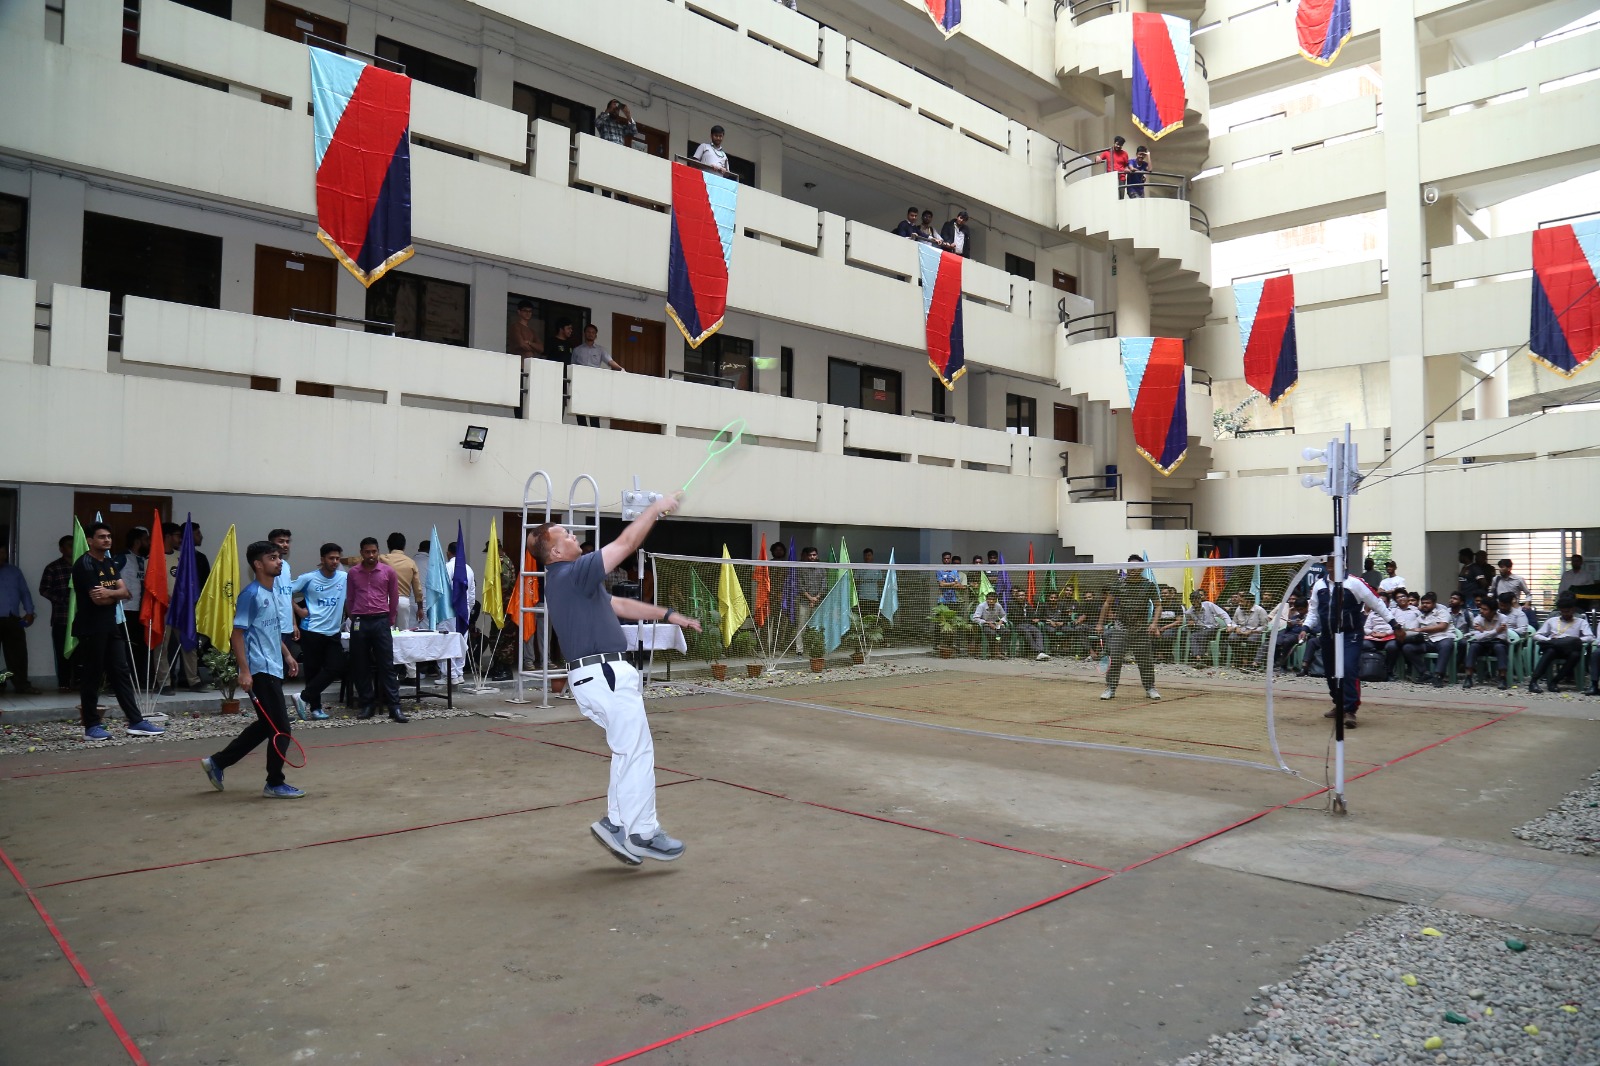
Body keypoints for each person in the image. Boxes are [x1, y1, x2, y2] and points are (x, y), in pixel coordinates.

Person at [528, 491, 702, 864]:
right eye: (565, 535)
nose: (573, 535)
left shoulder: (572, 583)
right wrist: (654, 509)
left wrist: (668, 615)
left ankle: (617, 823)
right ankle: (642, 832)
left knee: (628, 750)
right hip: (604, 674)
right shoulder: (572, 573)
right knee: (637, 751)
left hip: (597, 677)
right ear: (555, 552)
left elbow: (619, 605)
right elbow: (626, 543)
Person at [200, 540, 304, 798]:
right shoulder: (251, 594)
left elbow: (269, 630)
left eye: (279, 557)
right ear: (258, 564)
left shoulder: (272, 591)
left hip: (273, 666)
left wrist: (287, 655)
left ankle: (217, 762)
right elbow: (237, 634)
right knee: (281, 729)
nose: (279, 561)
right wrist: (245, 672)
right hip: (260, 670)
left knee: (266, 725)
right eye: (272, 558)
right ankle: (274, 782)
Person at [72, 523, 163, 740]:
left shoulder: (110, 562)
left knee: (121, 672)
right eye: (101, 537)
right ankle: (91, 726)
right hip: (91, 628)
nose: (107, 540)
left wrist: (110, 593)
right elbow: (98, 599)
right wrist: (115, 594)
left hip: (111, 626)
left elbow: (126, 592)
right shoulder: (85, 564)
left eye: (109, 536)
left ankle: (136, 721)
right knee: (92, 676)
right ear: (90, 541)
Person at [1303, 561, 1403, 728]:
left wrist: (1395, 625)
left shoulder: (1355, 583)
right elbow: (1313, 611)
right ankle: (1339, 704)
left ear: (1343, 563)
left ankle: (1350, 709)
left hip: (1350, 635)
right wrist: (1305, 628)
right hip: (1328, 636)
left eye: (1334, 561)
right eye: (1328, 562)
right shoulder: (1319, 585)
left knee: (1348, 669)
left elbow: (1377, 603)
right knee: (1330, 673)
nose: (1330, 565)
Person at [348, 537, 406, 723]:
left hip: (381, 620)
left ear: (378, 552)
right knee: (361, 664)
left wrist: (390, 619)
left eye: (374, 551)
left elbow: (394, 597)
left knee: (387, 665)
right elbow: (350, 598)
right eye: (367, 552)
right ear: (361, 553)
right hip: (360, 621)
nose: (371, 555)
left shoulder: (388, 571)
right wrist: (354, 617)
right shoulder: (353, 573)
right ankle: (367, 704)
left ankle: (394, 706)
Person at [290, 543, 346, 721]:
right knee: (313, 671)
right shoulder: (308, 578)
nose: (335, 562)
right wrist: (299, 611)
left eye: (337, 558)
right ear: (322, 559)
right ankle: (315, 709)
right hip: (312, 630)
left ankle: (303, 697)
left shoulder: (344, 577)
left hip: (333, 632)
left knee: (336, 667)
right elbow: (284, 592)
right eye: (331, 558)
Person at [1098, 555, 1161, 700]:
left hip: (1141, 628)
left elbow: (1158, 606)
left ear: (1141, 569)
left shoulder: (1149, 585)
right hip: (1121, 627)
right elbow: (1107, 603)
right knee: (1115, 659)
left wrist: (1154, 623)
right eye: (1130, 567)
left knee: (1145, 661)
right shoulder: (1118, 584)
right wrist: (1100, 623)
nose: (1132, 570)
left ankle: (1150, 688)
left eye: (1136, 567)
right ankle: (1110, 688)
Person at [153, 521, 203, 693]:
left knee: (189, 643)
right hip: (163, 608)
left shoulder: (181, 556)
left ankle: (193, 680)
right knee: (161, 646)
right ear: (167, 536)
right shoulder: (153, 558)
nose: (180, 539)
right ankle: (164, 682)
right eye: (177, 536)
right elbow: (152, 584)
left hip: (182, 608)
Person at [1527, 596, 1591, 695]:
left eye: (1568, 611)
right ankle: (1533, 681)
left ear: (1573, 610)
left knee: (1575, 655)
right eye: (1563, 612)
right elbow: (1537, 635)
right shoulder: (1552, 620)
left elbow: (1590, 637)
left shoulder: (1581, 622)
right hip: (1554, 647)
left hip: (1570, 649)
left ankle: (1555, 681)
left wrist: (1575, 640)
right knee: (1550, 651)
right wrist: (1549, 640)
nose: (1565, 614)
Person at [0, 543, 40, 694]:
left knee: (18, 655)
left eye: (3, 553)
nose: (1, 556)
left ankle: (22, 685)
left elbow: (24, 592)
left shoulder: (14, 571)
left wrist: (29, 612)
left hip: (12, 618)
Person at [39, 535, 76, 691]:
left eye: (74, 544)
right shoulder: (53, 567)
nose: (72, 548)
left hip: (82, 618)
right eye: (69, 545)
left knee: (81, 652)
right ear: (61, 549)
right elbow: (44, 590)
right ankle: (64, 683)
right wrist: (62, 600)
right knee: (62, 652)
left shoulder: (83, 565)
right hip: (62, 618)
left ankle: (80, 682)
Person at [572, 323, 625, 428]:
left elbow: (609, 361)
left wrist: (620, 368)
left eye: (593, 333)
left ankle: (595, 428)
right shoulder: (577, 350)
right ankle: (582, 427)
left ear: (596, 336)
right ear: (584, 333)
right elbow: (572, 366)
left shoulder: (600, 350)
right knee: (579, 404)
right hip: (580, 382)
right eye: (588, 332)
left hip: (594, 382)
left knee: (594, 406)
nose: (590, 334)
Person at [1402, 592, 1456, 688]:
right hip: (1428, 642)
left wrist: (1422, 629)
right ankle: (1425, 673)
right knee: (1407, 648)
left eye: (1428, 603)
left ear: (1434, 603)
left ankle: (1438, 675)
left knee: (1446, 644)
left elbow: (1442, 626)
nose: (1425, 605)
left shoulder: (1442, 612)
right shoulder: (1421, 616)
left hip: (1443, 638)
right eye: (1423, 603)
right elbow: (1412, 628)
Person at [443, 541, 476, 684]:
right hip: (464, 608)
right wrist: (468, 608)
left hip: (449, 609)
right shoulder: (469, 569)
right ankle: (459, 673)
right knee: (462, 640)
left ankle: (450, 675)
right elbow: (472, 594)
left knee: (447, 640)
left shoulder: (446, 567)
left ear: (448, 553)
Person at [1462, 598, 1511, 690]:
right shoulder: (1477, 619)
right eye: (1481, 608)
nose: (1481, 611)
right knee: (1473, 646)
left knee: (1500, 647)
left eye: (1485, 609)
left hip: (1498, 643)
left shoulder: (1503, 618)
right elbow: (1478, 637)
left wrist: (1483, 631)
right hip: (1482, 644)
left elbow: (1502, 637)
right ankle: (1468, 677)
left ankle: (1502, 678)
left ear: (1493, 611)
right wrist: (1496, 631)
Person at [380, 532, 423, 632]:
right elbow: (417, 588)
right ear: (404, 546)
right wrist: (420, 608)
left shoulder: (381, 559)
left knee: (386, 632)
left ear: (388, 545)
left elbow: (359, 560)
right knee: (403, 632)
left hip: (386, 600)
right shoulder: (411, 563)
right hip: (403, 601)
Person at [1183, 589, 1229, 663]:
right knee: (1198, 635)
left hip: (1213, 629)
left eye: (1196, 600)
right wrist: (1191, 624)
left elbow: (1223, 614)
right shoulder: (1189, 612)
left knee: (1195, 636)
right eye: (1192, 601)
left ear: (1200, 599)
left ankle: (1198, 657)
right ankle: (1200, 658)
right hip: (1200, 631)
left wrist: (1229, 625)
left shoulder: (1209, 605)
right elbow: (1190, 624)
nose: (1194, 603)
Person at [1226, 592, 1269, 664]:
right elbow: (1233, 622)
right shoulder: (1239, 609)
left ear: (1249, 602)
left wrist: (1251, 631)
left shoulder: (1260, 610)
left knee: (1252, 640)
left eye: (1242, 601)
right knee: (1231, 638)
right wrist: (1236, 628)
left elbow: (1265, 626)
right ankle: (1241, 658)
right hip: (1241, 631)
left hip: (1254, 632)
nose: (1239, 603)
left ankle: (1249, 660)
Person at [972, 590, 1007, 658]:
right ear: (986, 599)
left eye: (993, 599)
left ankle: (1002, 651)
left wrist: (1001, 622)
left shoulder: (998, 606)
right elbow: (975, 618)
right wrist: (987, 623)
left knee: (1006, 632)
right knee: (992, 633)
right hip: (985, 624)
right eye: (989, 599)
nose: (991, 601)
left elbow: (1004, 615)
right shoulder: (981, 606)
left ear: (996, 600)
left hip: (995, 624)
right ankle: (993, 652)